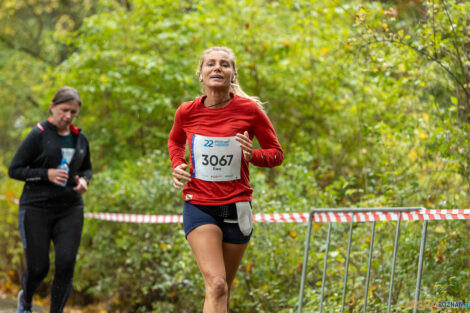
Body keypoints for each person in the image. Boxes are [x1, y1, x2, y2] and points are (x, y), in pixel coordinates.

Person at [168, 47, 283, 313]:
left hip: (237, 207)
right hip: (199, 205)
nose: (217, 68)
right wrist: (178, 164)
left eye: (224, 64)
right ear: (201, 74)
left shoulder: (250, 110)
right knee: (217, 284)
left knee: (223, 290)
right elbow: (175, 140)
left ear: (233, 75)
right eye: (210, 64)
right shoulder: (187, 111)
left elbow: (276, 154)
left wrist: (251, 154)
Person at [8, 86, 92, 313]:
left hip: (70, 208)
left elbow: (87, 169)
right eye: (64, 110)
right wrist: (46, 174)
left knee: (65, 265)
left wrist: (84, 181)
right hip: (36, 207)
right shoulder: (39, 134)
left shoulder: (79, 138)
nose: (68, 116)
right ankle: (25, 300)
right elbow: (14, 170)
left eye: (73, 112)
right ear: (52, 107)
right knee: (39, 268)